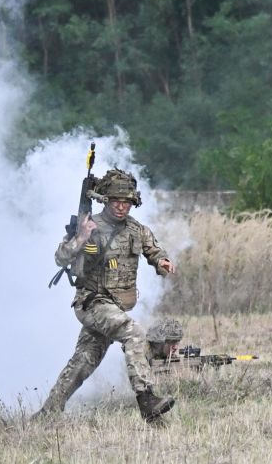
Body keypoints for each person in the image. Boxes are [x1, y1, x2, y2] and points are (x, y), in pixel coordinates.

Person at [33, 169, 177, 424]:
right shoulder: (89, 225)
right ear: (106, 201)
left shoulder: (137, 230)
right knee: (133, 333)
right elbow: (61, 258)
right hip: (92, 302)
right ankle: (147, 400)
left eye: (126, 202)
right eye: (116, 201)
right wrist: (81, 237)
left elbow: (154, 251)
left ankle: (46, 414)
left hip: (115, 306)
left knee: (84, 361)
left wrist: (162, 262)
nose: (121, 207)